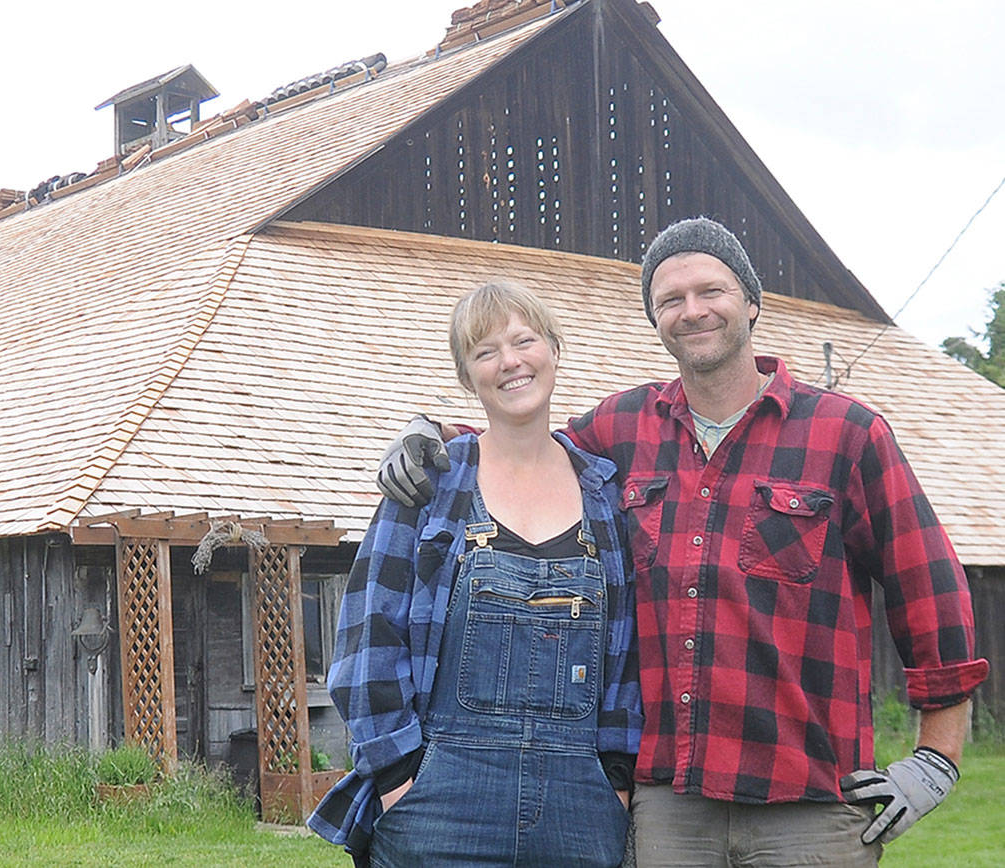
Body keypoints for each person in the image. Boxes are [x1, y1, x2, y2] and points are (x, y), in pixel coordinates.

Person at [374, 218, 989, 866]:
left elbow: (930, 586)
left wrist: (936, 756)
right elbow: (524, 446)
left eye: (710, 291)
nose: (692, 310)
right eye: (671, 299)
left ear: (751, 302)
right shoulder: (625, 427)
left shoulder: (847, 434)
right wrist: (433, 432)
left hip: (810, 804)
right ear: (656, 320)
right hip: (670, 806)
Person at [309, 280, 642, 867]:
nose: (510, 361)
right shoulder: (432, 484)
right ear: (467, 377)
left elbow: (626, 656)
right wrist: (398, 779)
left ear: (554, 349)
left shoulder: (604, 494)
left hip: (579, 805)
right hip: (439, 802)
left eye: (524, 341)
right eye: (486, 352)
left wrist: (615, 778)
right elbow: (368, 640)